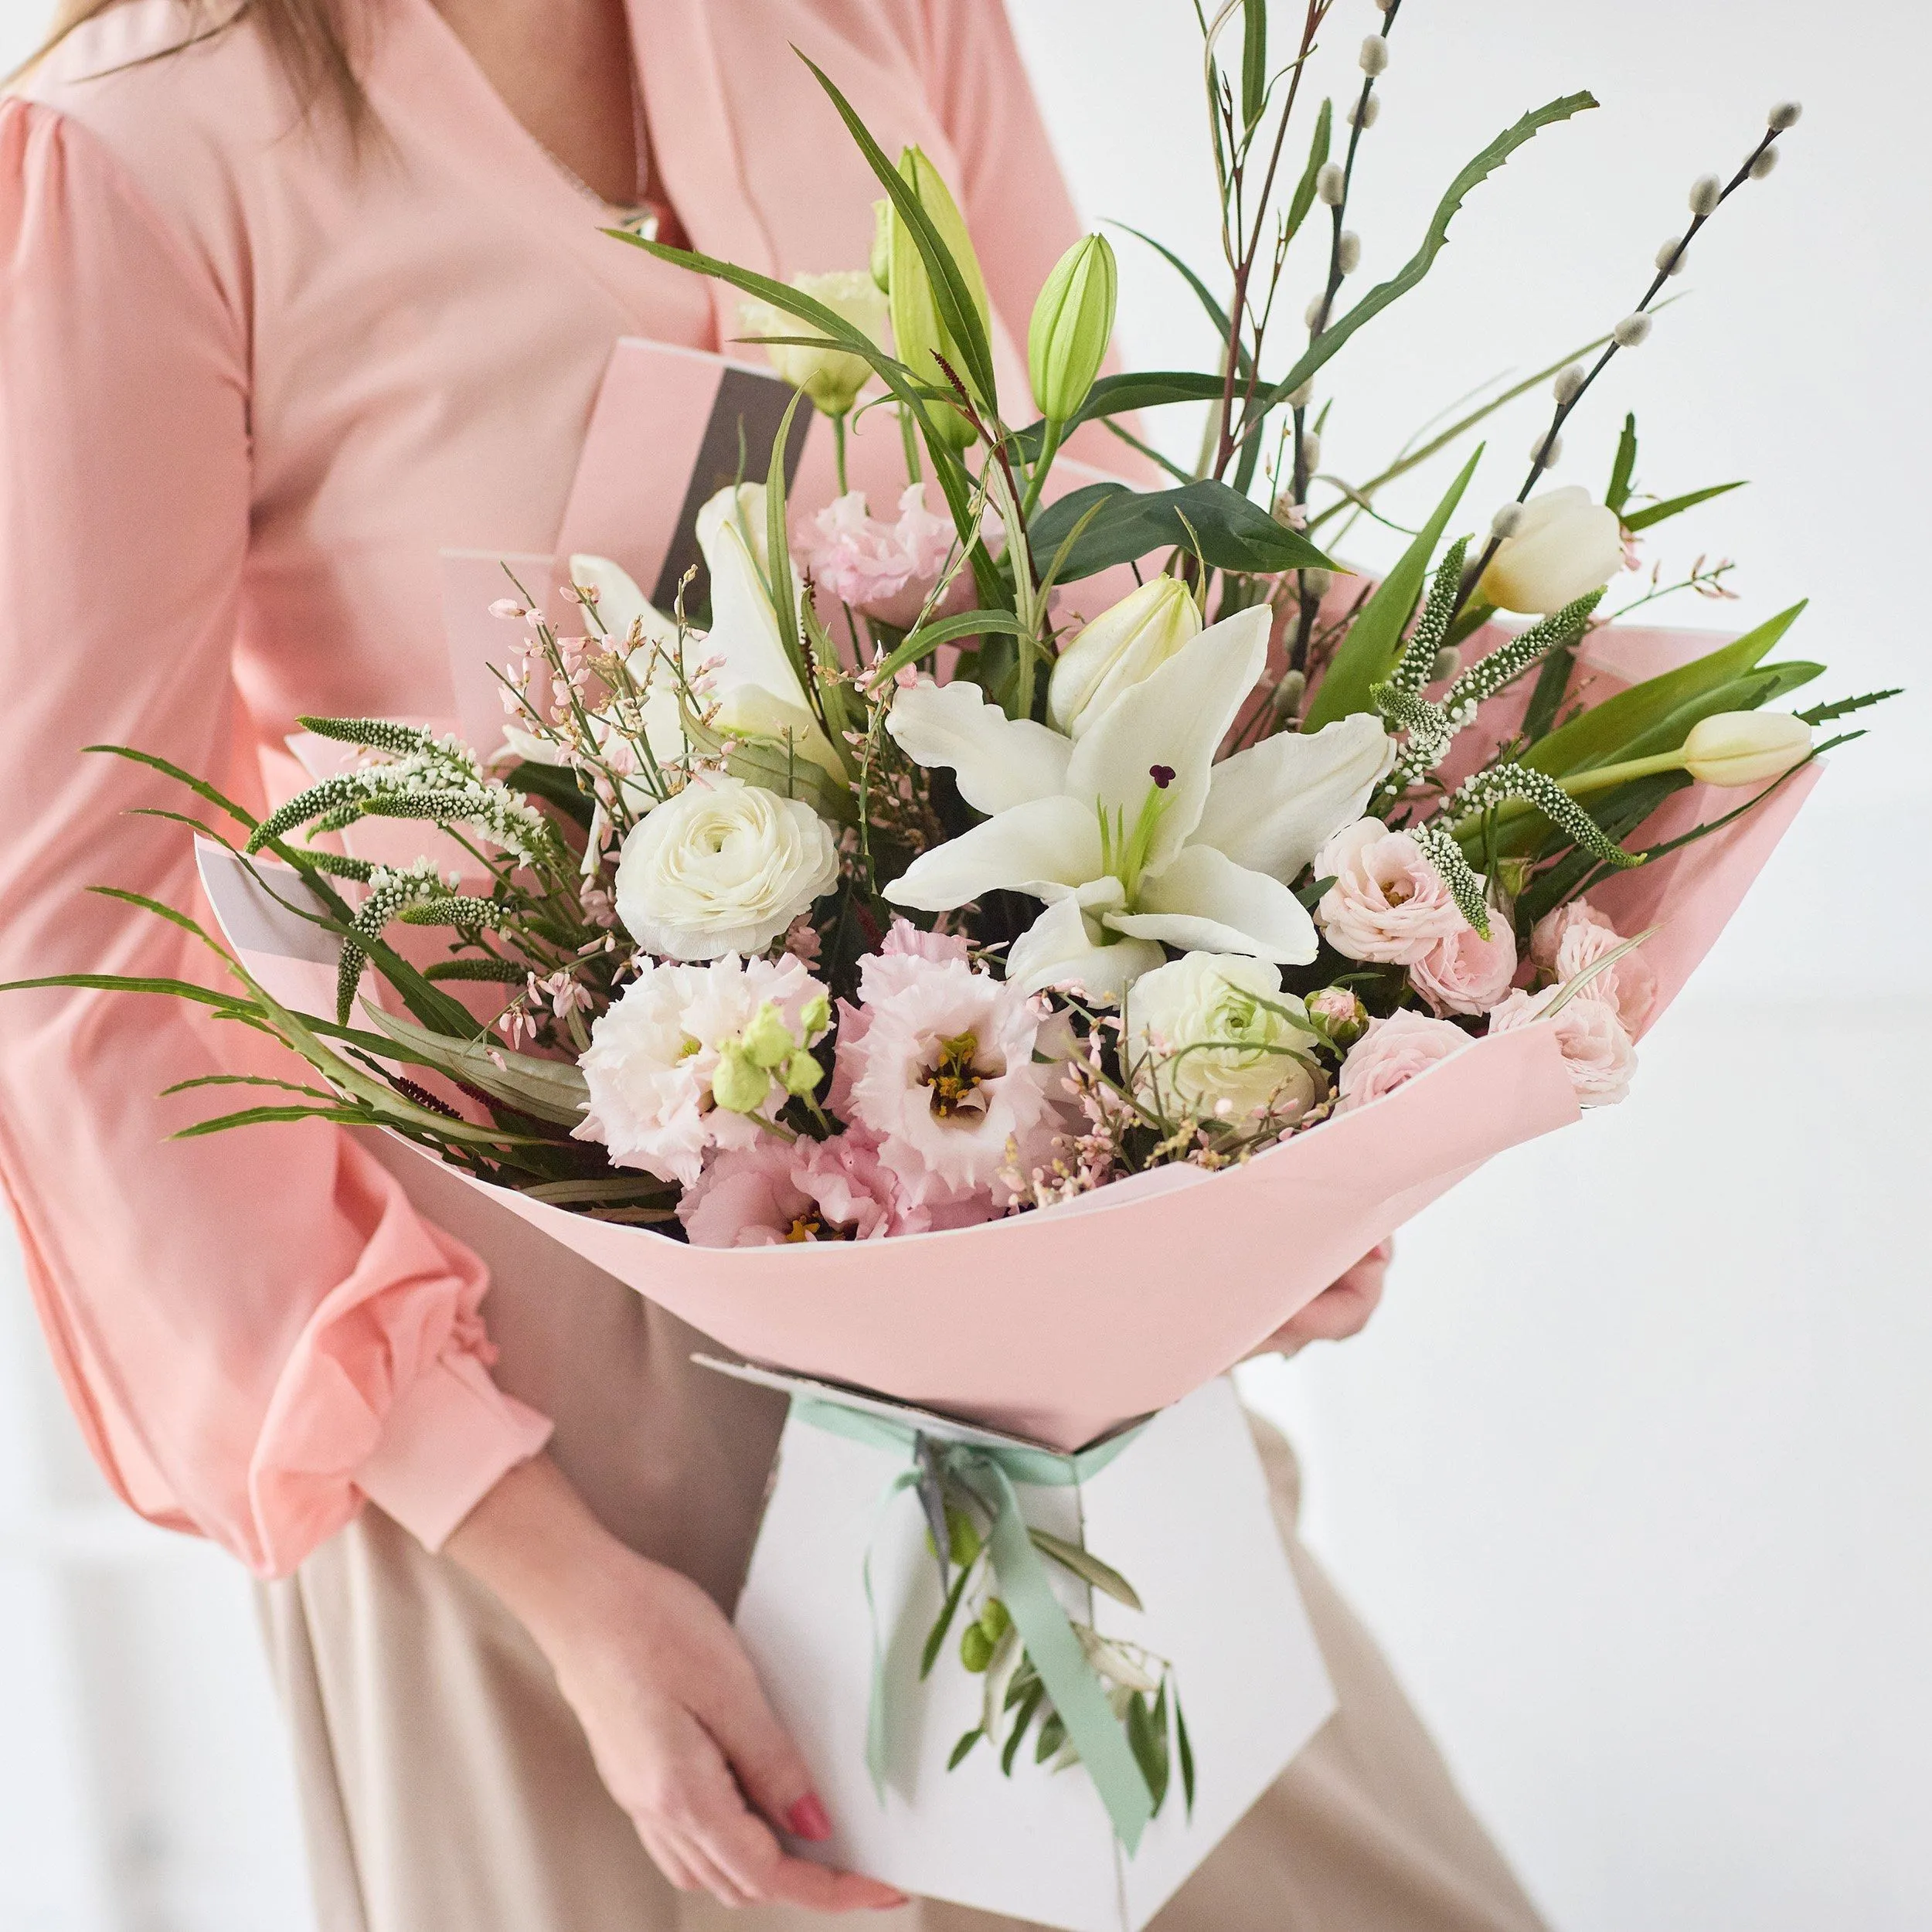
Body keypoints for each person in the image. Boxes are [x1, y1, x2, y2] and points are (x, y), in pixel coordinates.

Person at [0, 3, 1549, 1927]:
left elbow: (1104, 543)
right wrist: (544, 1569)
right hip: (529, 1404)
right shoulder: (146, 147)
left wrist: (1287, 1109)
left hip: (993, 1216)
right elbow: (77, 936)